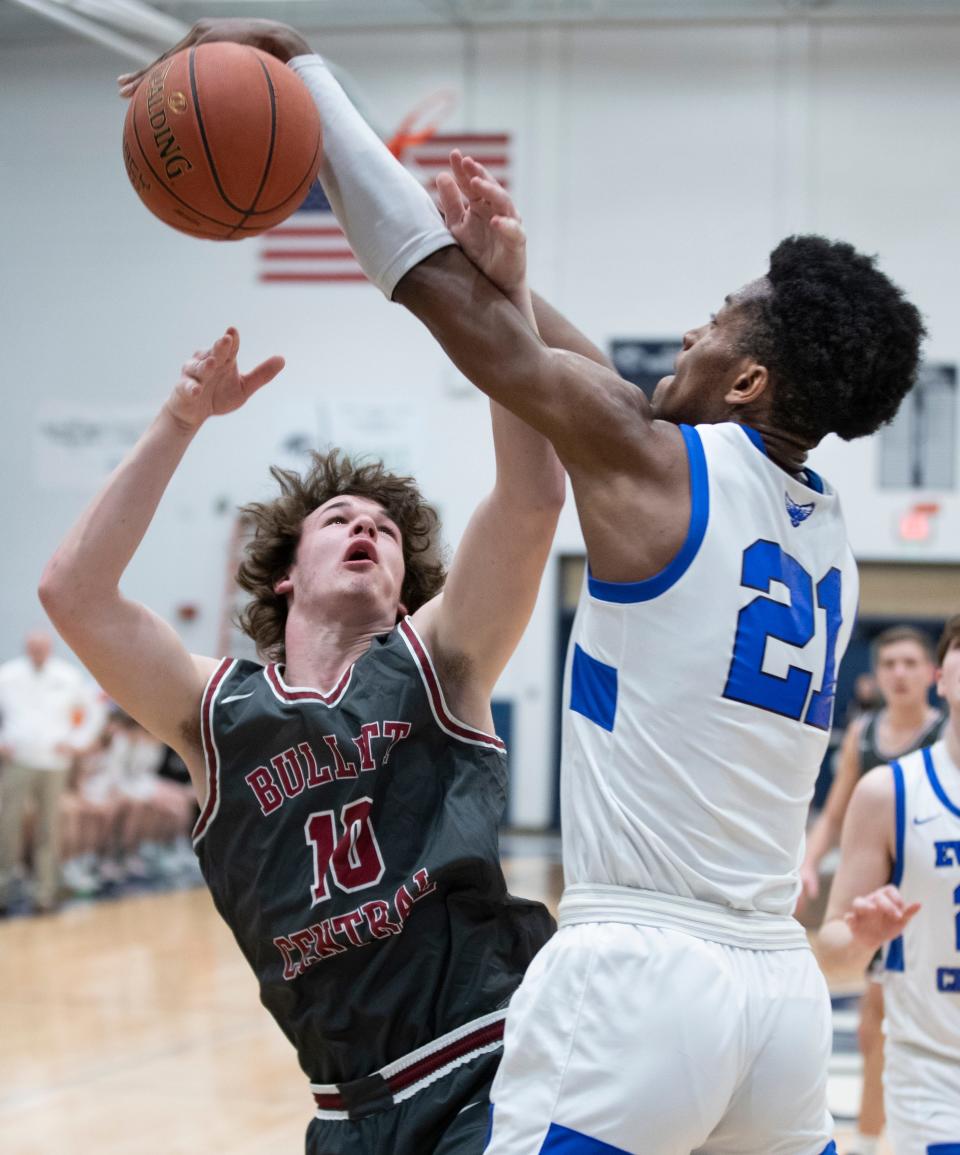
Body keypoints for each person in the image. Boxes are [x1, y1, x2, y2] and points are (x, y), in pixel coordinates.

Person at [121, 23, 925, 1153]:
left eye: (719, 317)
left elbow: (432, 289)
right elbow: (590, 385)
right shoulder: (824, 524)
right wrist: (522, 284)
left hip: (642, 980)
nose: (691, 326)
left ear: (748, 380)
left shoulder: (654, 465)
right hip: (778, 1000)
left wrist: (309, 84)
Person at [40, 170, 563, 1150]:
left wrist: (502, 298)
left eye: (387, 531)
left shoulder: (439, 656)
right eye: (340, 520)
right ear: (284, 573)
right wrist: (181, 419)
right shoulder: (213, 711)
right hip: (349, 1110)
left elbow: (532, 499)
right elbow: (74, 593)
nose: (367, 530)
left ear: (405, 583)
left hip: (497, 1062)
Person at [817, 615, 960, 1155]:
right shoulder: (889, 791)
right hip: (935, 1073)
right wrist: (862, 935)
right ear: (941, 678)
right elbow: (833, 956)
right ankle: (869, 1139)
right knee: (873, 1020)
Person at [0, 630, 105, 914]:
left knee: (49, 828)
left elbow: (94, 711)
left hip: (54, 763)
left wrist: (77, 742)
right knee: (6, 825)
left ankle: (44, 892)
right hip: (18, 760)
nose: (37, 652)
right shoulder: (8, 675)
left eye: (42, 647)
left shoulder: (68, 677)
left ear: (50, 648)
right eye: (33, 647)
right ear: (25, 647)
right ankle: (3, 889)